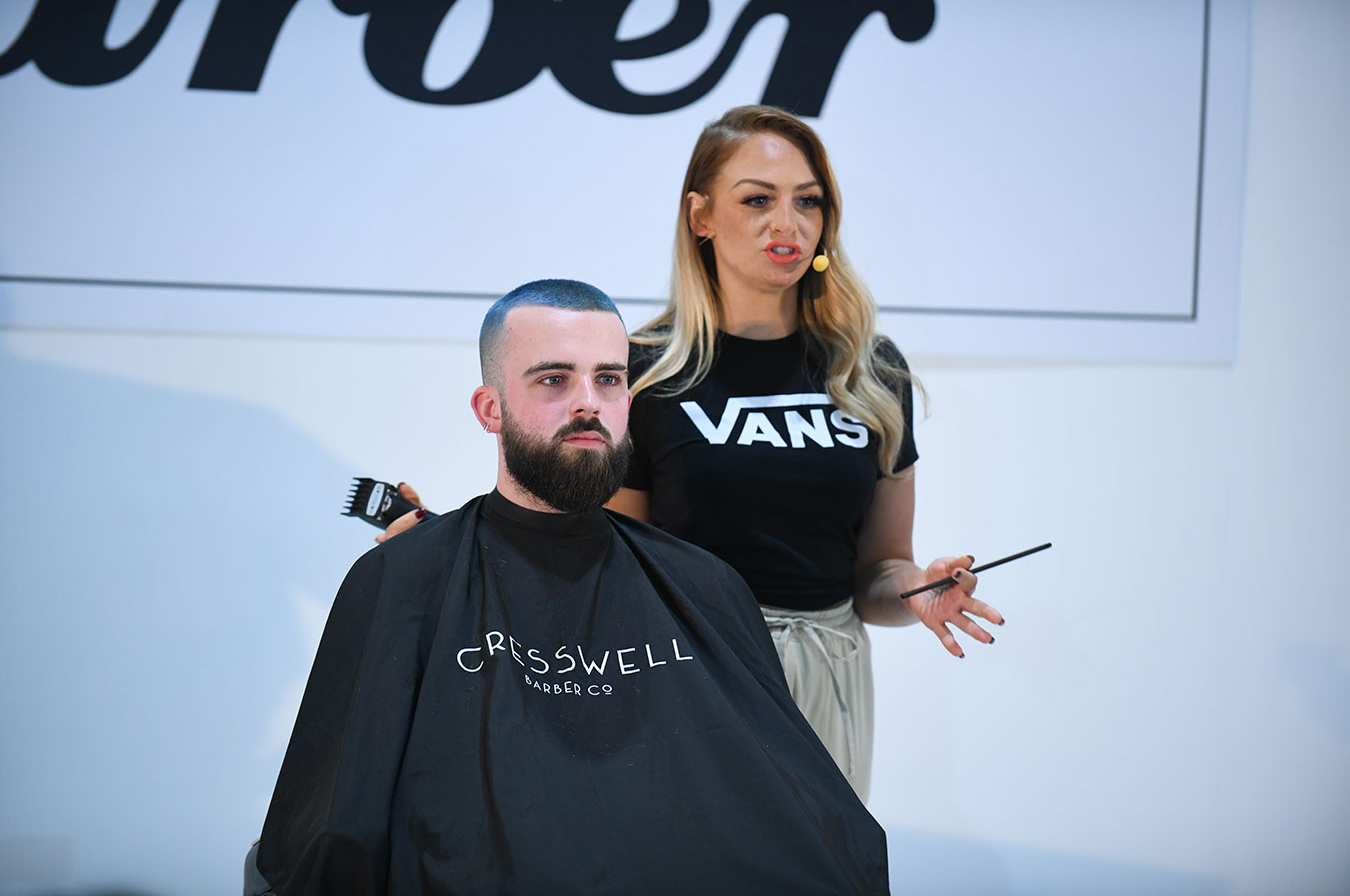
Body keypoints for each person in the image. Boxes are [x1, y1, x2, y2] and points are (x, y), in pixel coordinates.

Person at [382, 106, 1003, 800]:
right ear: (701, 215)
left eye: (808, 201)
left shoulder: (872, 371)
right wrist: (460, 557)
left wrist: (918, 592)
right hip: (686, 675)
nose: (787, 223)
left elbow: (878, 572)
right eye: (758, 200)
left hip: (829, 680)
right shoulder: (640, 373)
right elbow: (600, 564)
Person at [249, 279, 889, 895]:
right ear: (490, 409)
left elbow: (809, 820)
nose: (588, 402)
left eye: (608, 379)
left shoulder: (706, 585)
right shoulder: (404, 577)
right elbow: (334, 834)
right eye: (553, 379)